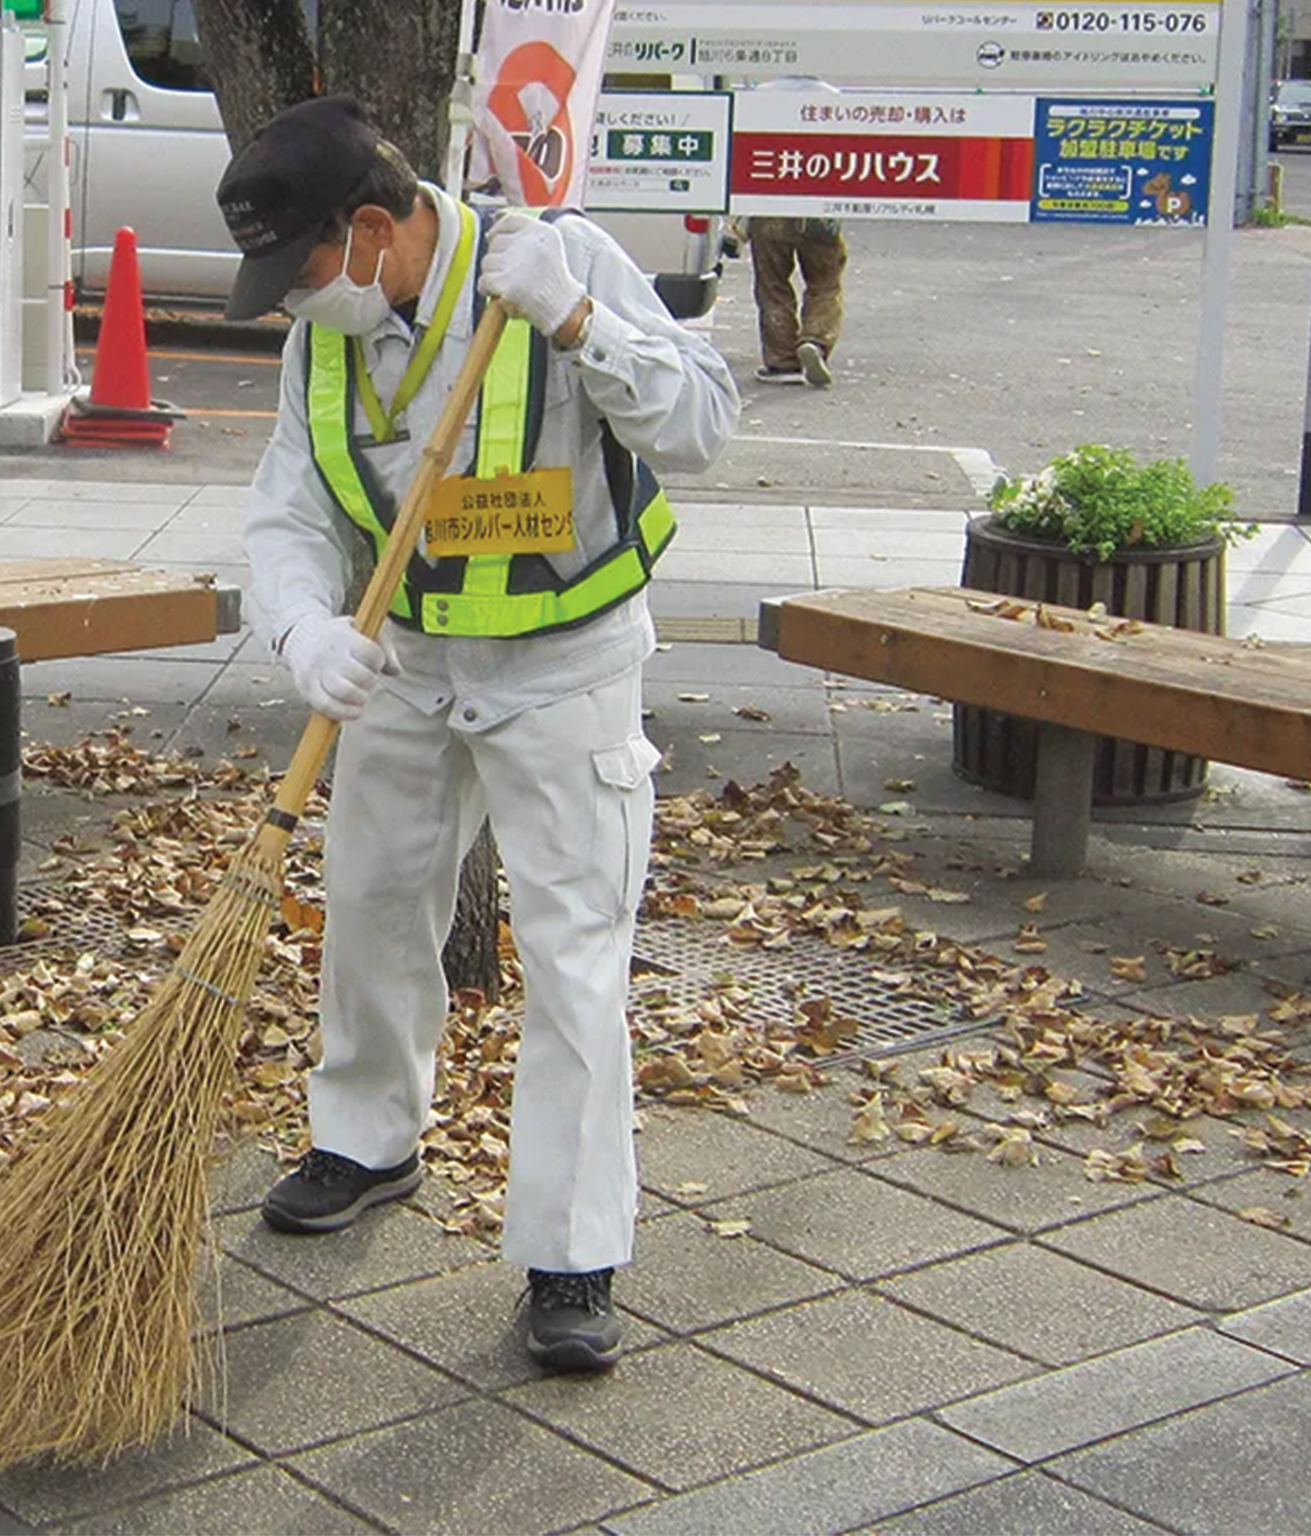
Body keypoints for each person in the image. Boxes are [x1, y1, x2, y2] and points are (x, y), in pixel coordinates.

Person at [214, 97, 737, 1372]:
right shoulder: (321, 342)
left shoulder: (558, 263)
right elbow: (287, 512)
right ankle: (366, 1137)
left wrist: (578, 318)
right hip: (405, 663)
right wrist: (298, 629)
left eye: (303, 272)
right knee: (374, 902)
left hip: (564, 668)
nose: (293, 303)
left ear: (378, 228)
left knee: (571, 953)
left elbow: (703, 428)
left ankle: (570, 1249)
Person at [747, 215, 848, 388]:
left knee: (772, 285)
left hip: (769, 212)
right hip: (818, 214)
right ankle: (815, 340)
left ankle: (782, 362)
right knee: (825, 285)